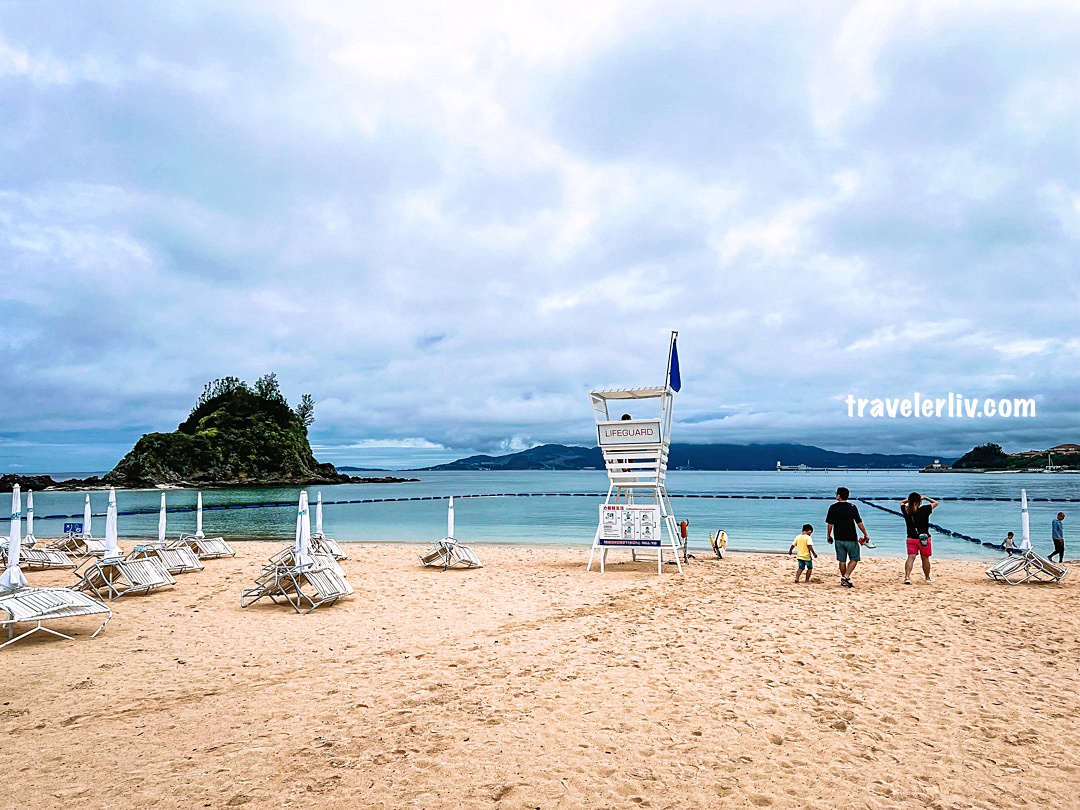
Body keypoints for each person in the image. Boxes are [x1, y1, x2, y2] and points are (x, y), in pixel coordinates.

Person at [826, 487, 870, 588]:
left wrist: (829, 535)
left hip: (838, 537)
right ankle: (846, 576)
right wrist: (865, 534)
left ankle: (844, 579)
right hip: (851, 537)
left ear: (838, 496)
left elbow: (830, 524)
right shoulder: (852, 507)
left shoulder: (833, 507)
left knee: (842, 560)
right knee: (854, 558)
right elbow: (859, 522)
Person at [901, 492, 938, 584]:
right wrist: (925, 498)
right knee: (925, 558)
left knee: (910, 557)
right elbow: (935, 503)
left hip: (911, 538)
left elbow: (901, 502)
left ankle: (907, 577)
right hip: (924, 538)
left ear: (909, 501)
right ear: (919, 502)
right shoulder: (925, 509)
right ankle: (927, 577)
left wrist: (908, 500)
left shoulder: (906, 510)